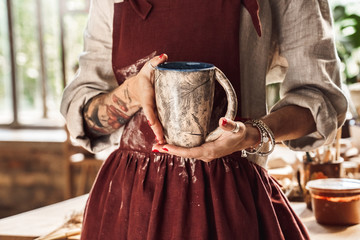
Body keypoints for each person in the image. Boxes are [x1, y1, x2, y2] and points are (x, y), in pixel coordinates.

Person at [61, 0, 348, 239]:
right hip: (130, 202)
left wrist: (254, 133)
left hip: (231, 203)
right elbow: (84, 118)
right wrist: (130, 95)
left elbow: (320, 99)